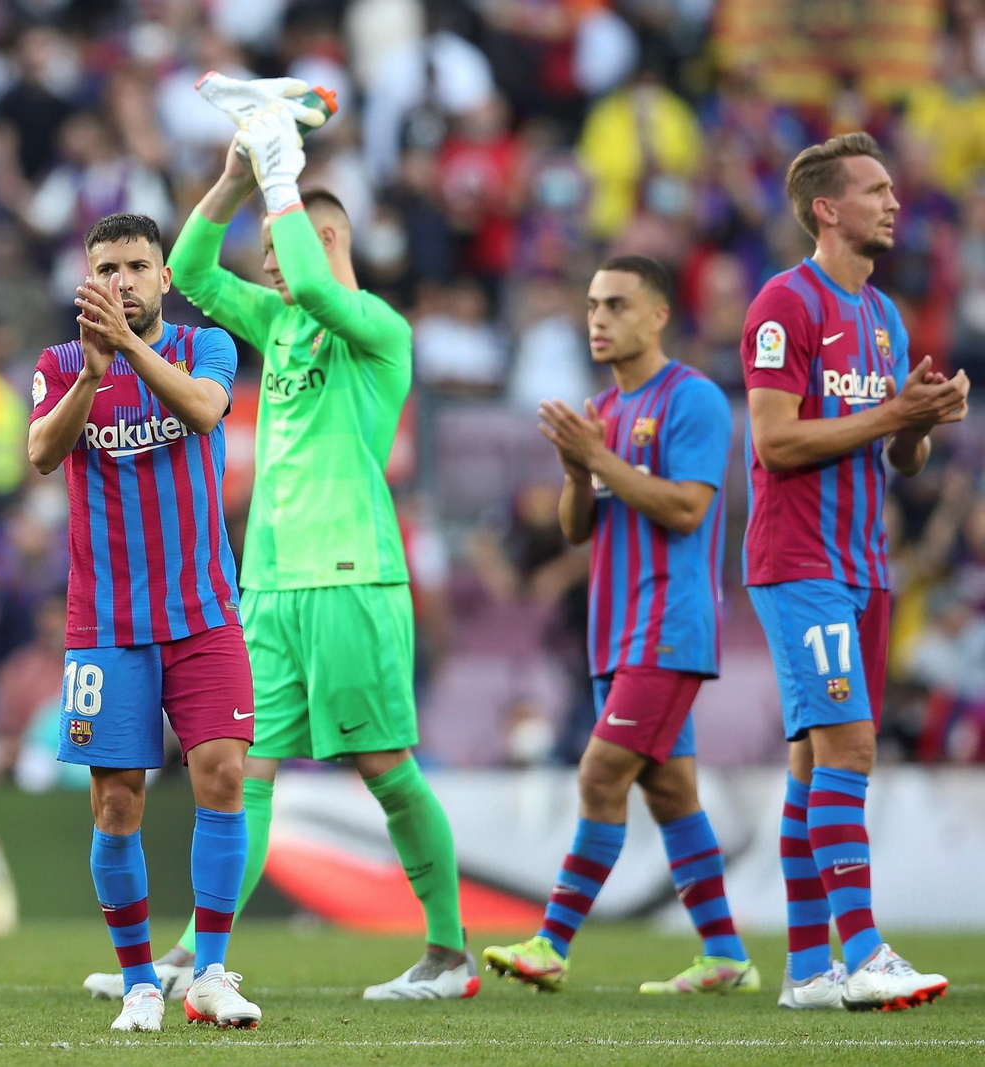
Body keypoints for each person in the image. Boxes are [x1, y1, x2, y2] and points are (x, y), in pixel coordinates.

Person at [114, 104, 476, 1001]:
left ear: (324, 239)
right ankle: (196, 954)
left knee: (385, 769)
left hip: (352, 575)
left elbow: (316, 289)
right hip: (269, 584)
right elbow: (192, 271)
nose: (267, 260)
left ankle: (449, 952)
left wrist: (284, 174)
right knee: (245, 773)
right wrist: (238, 176)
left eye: (278, 244)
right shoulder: (277, 323)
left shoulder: (376, 328)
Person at [482, 256, 756, 995]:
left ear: (659, 315)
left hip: (669, 622)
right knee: (670, 794)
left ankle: (551, 942)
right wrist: (579, 472)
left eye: (617, 305)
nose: (599, 319)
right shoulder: (602, 408)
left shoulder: (693, 399)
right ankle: (726, 955)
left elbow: (688, 508)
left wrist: (598, 454)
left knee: (600, 773)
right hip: (614, 628)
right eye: (593, 305)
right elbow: (577, 529)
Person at [742, 133, 965, 1010]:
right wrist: (890, 413)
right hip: (800, 560)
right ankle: (866, 951)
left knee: (813, 764)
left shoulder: (883, 316)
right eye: (875, 191)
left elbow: (899, 458)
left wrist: (918, 422)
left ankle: (808, 969)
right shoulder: (784, 303)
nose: (894, 202)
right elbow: (773, 441)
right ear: (827, 209)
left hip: (864, 563)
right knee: (851, 747)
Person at [27, 212, 260, 1032]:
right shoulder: (60, 364)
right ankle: (138, 985)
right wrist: (93, 377)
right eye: (106, 268)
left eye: (135, 265)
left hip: (203, 612)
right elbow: (41, 452)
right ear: (87, 281)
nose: (121, 280)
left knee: (223, 775)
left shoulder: (207, 346)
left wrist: (127, 347)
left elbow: (203, 411)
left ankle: (210, 973)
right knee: (117, 802)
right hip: (107, 622)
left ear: (164, 277)